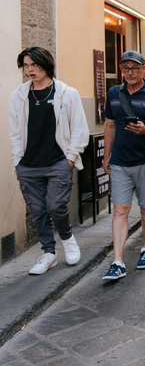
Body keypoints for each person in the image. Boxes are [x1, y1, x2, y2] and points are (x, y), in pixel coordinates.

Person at [10, 47, 89, 275]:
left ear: (46, 65)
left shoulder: (67, 93)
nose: (30, 70)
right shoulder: (19, 96)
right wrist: (18, 161)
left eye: (34, 64)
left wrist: (70, 159)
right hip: (29, 165)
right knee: (37, 210)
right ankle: (48, 253)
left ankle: (68, 238)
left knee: (55, 205)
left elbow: (79, 129)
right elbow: (15, 132)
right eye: (26, 65)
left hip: (58, 162)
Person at [102, 51, 145, 281]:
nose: (130, 72)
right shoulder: (114, 93)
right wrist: (107, 155)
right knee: (120, 210)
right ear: (121, 69)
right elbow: (110, 125)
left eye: (135, 68)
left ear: (143, 69)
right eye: (125, 68)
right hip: (120, 160)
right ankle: (118, 261)